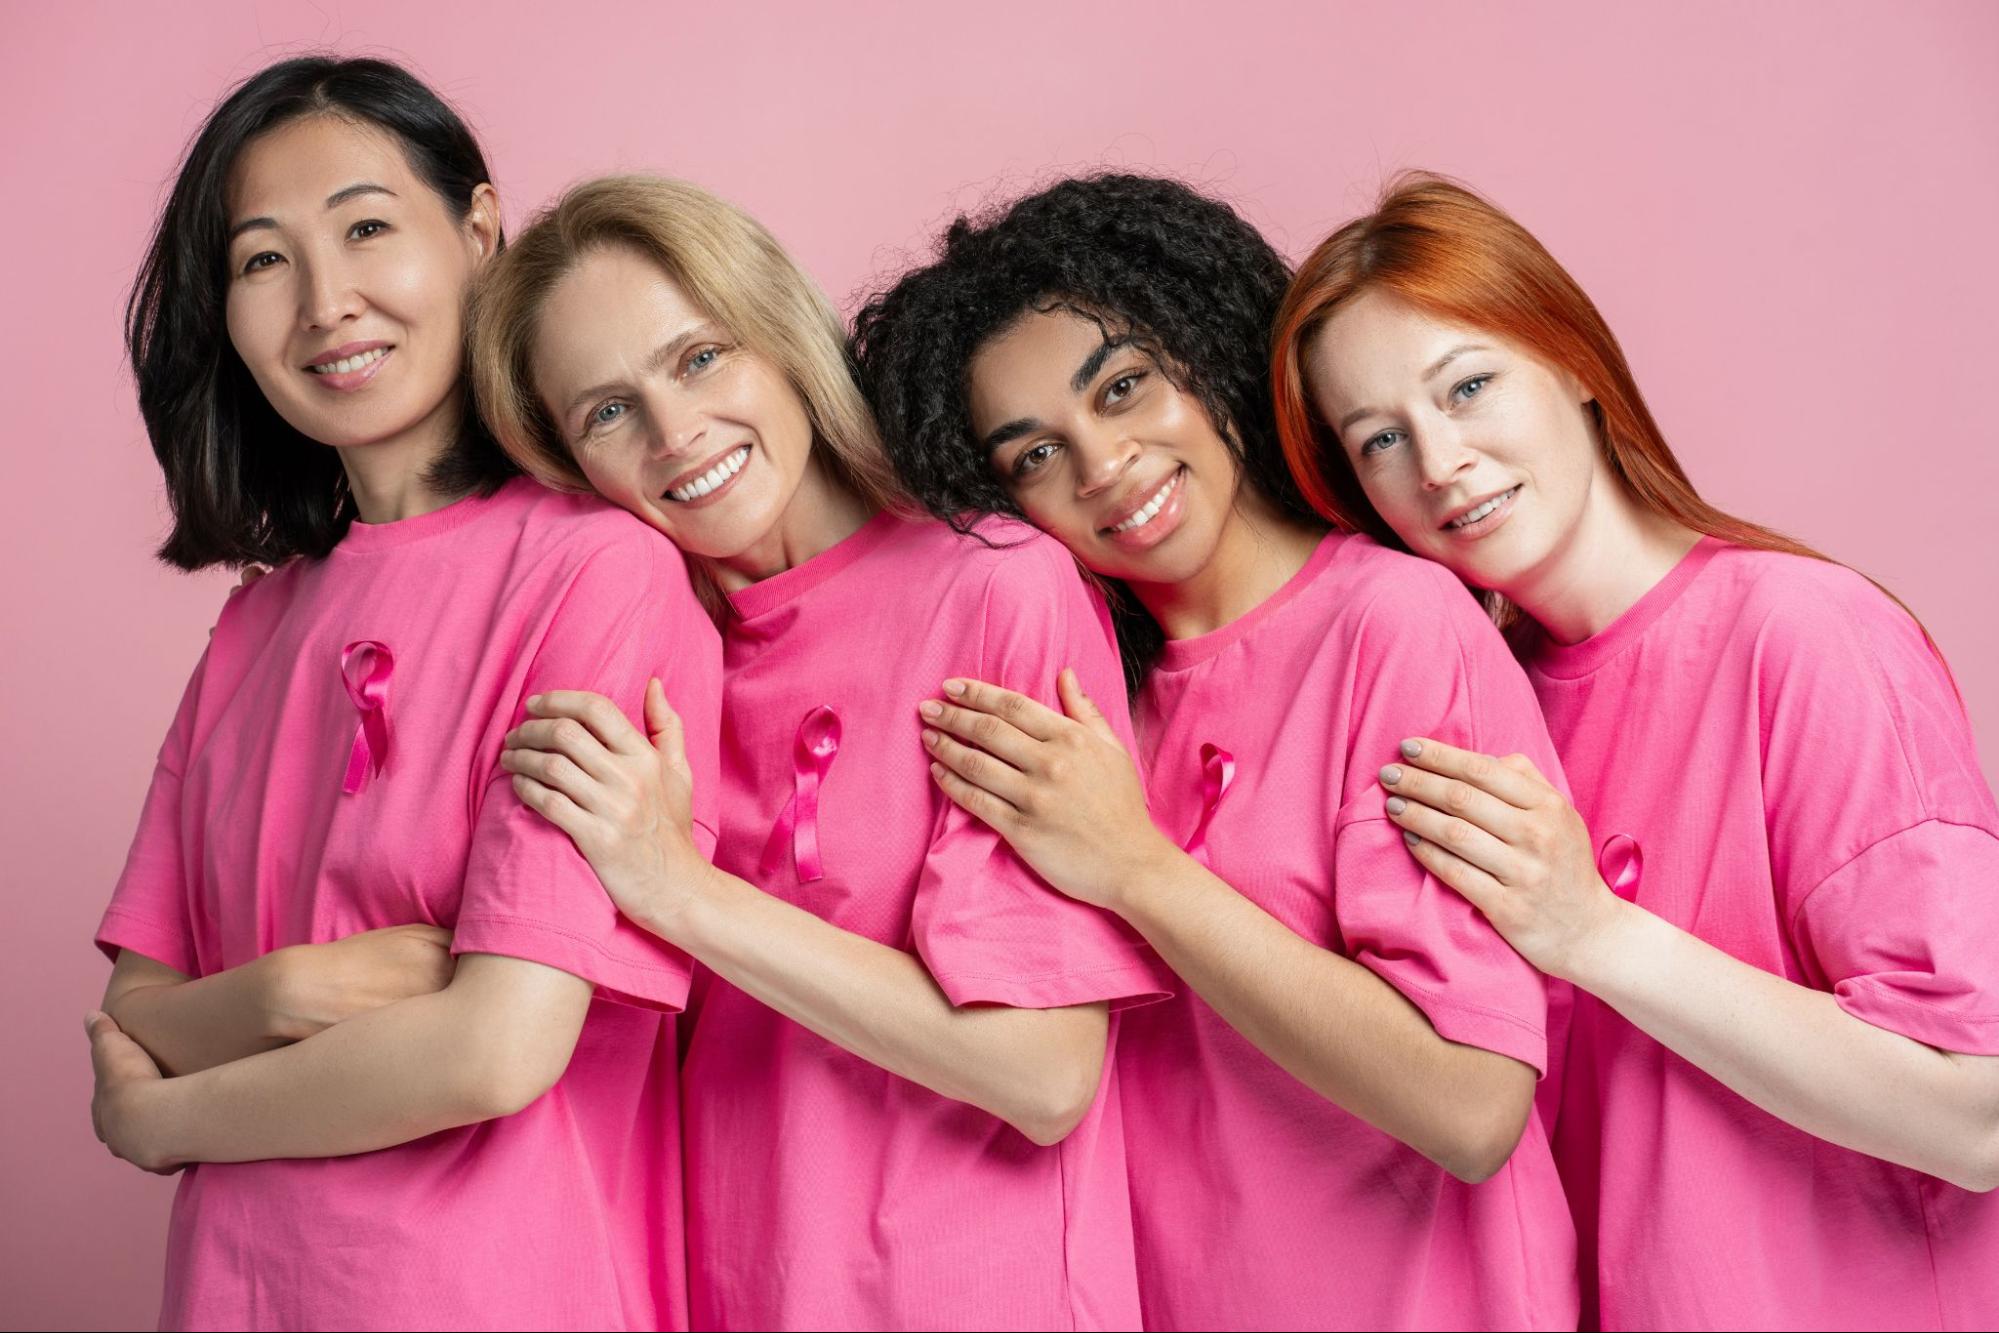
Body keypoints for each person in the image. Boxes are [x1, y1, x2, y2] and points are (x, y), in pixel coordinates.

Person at [1272, 172, 1999, 1329]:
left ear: (1570, 361)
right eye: (1380, 440)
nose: (1441, 460)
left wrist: (1595, 934)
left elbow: (1977, 1112)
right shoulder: (1472, 712)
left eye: (1468, 385)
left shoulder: (1804, 635)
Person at [851, 172, 1577, 1330]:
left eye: (1126, 387)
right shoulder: (1078, 695)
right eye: (1032, 455)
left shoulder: (1394, 623)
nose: (1100, 465)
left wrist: (1137, 869)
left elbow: (1473, 1103)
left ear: (1210, 344)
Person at [85, 57, 721, 1331]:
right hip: (234, 1293)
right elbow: (137, 1009)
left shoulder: (597, 568)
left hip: (500, 1289)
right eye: (263, 261)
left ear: (479, 231)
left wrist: (160, 1117)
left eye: (368, 226)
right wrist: (287, 994)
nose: (327, 301)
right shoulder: (251, 629)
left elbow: (495, 1048)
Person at [471, 174, 1165, 1330]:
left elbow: (1044, 1073)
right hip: (737, 1288)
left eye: (700, 358)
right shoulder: (646, 660)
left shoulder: (992, 581)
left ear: (781, 336)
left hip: (979, 1293)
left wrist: (677, 890)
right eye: (606, 411)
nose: (674, 433)